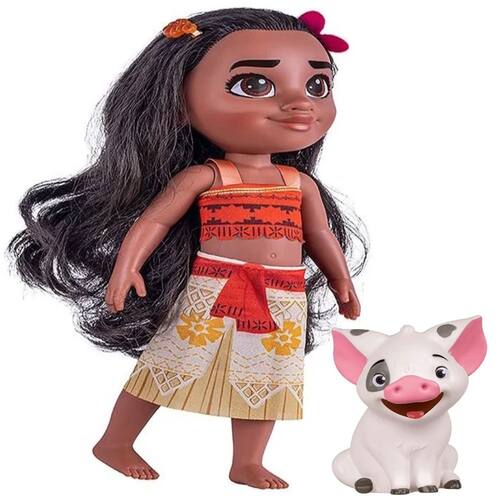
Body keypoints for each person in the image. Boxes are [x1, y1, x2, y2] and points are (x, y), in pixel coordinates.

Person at [8, 8, 367, 489]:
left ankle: (247, 462)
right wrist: (125, 267)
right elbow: (154, 220)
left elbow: (318, 234)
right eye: (254, 85)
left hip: (283, 292)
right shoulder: (209, 175)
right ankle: (115, 441)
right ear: (177, 101)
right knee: (168, 362)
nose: (300, 102)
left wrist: (341, 280)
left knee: (269, 375)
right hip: (215, 285)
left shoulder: (297, 182)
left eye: (317, 85)